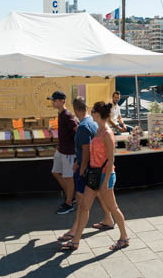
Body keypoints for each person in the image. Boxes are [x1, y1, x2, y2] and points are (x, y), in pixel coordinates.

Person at [63, 102, 133, 252]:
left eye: (93, 112)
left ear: (96, 114)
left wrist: (106, 181)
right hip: (94, 175)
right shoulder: (98, 130)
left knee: (113, 208)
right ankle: (75, 241)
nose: (91, 114)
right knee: (84, 207)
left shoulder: (107, 133)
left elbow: (111, 160)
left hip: (104, 177)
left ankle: (124, 237)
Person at [57, 97, 117, 250]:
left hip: (92, 171)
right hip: (95, 170)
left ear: (76, 110)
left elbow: (87, 150)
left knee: (83, 202)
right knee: (92, 201)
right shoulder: (93, 124)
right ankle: (107, 221)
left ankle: (75, 232)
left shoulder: (86, 127)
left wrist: (82, 168)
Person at [49, 91, 78, 214]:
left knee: (68, 177)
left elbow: (77, 130)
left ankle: (69, 203)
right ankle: (71, 197)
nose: (53, 102)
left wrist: (78, 150)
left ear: (62, 101)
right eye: (52, 100)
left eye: (55, 100)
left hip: (69, 153)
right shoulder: (60, 113)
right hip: (61, 150)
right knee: (55, 172)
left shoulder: (67, 115)